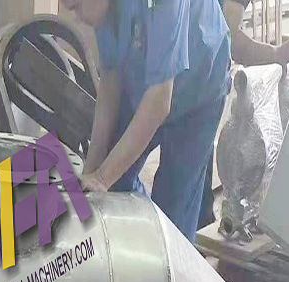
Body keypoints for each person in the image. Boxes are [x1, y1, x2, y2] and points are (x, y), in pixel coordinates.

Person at [62, 0, 231, 242]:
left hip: (200, 90)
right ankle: (140, 243)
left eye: (76, 6)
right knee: (113, 187)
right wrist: (90, 174)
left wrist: (101, 178)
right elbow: (110, 85)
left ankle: (163, 252)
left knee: (173, 219)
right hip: (145, 83)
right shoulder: (105, 11)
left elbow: (159, 102)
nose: (76, 17)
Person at [197, 0, 289, 228]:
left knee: (192, 181)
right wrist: (275, 52)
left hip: (183, 70)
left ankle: (197, 223)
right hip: (194, 80)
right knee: (188, 181)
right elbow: (229, 38)